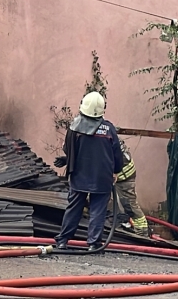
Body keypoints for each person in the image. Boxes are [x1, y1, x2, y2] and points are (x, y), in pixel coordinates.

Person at [53, 91, 123, 251]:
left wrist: (66, 160)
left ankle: (63, 241)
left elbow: (68, 150)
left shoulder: (74, 127)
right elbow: (117, 154)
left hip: (80, 176)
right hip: (102, 178)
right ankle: (93, 244)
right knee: (98, 210)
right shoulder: (108, 129)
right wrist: (116, 171)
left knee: (74, 208)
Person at [114, 140, 150, 237]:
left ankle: (142, 234)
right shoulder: (107, 133)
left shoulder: (101, 137)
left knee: (130, 207)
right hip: (121, 174)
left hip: (123, 177)